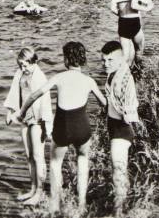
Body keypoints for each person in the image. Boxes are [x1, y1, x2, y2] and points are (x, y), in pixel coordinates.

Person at [14, 42, 107, 215]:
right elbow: (105, 104)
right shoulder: (89, 81)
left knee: (55, 163)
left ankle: (55, 206)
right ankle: (81, 204)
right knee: (82, 160)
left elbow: (35, 95)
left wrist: (22, 113)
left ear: (66, 59)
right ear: (83, 59)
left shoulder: (59, 77)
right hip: (82, 127)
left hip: (63, 127)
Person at [4, 47, 54, 205]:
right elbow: (14, 92)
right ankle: (33, 188)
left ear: (34, 62)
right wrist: (10, 112)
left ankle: (40, 192)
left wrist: (47, 126)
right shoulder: (19, 73)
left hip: (38, 119)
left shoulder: (40, 77)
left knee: (38, 156)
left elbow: (46, 103)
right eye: (20, 65)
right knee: (28, 155)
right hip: (24, 116)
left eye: (25, 65)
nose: (22, 68)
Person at [100, 41, 139, 215]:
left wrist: (130, 122)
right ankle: (126, 201)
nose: (105, 64)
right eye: (103, 60)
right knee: (119, 167)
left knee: (118, 168)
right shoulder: (113, 74)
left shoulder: (125, 77)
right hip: (114, 126)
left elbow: (130, 106)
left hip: (122, 128)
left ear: (121, 59)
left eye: (110, 60)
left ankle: (119, 211)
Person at [110, 0, 153, 65]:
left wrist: (121, 14)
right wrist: (147, 8)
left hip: (122, 22)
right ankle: (138, 72)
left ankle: (123, 74)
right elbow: (134, 5)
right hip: (133, 22)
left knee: (125, 55)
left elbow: (112, 8)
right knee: (139, 49)